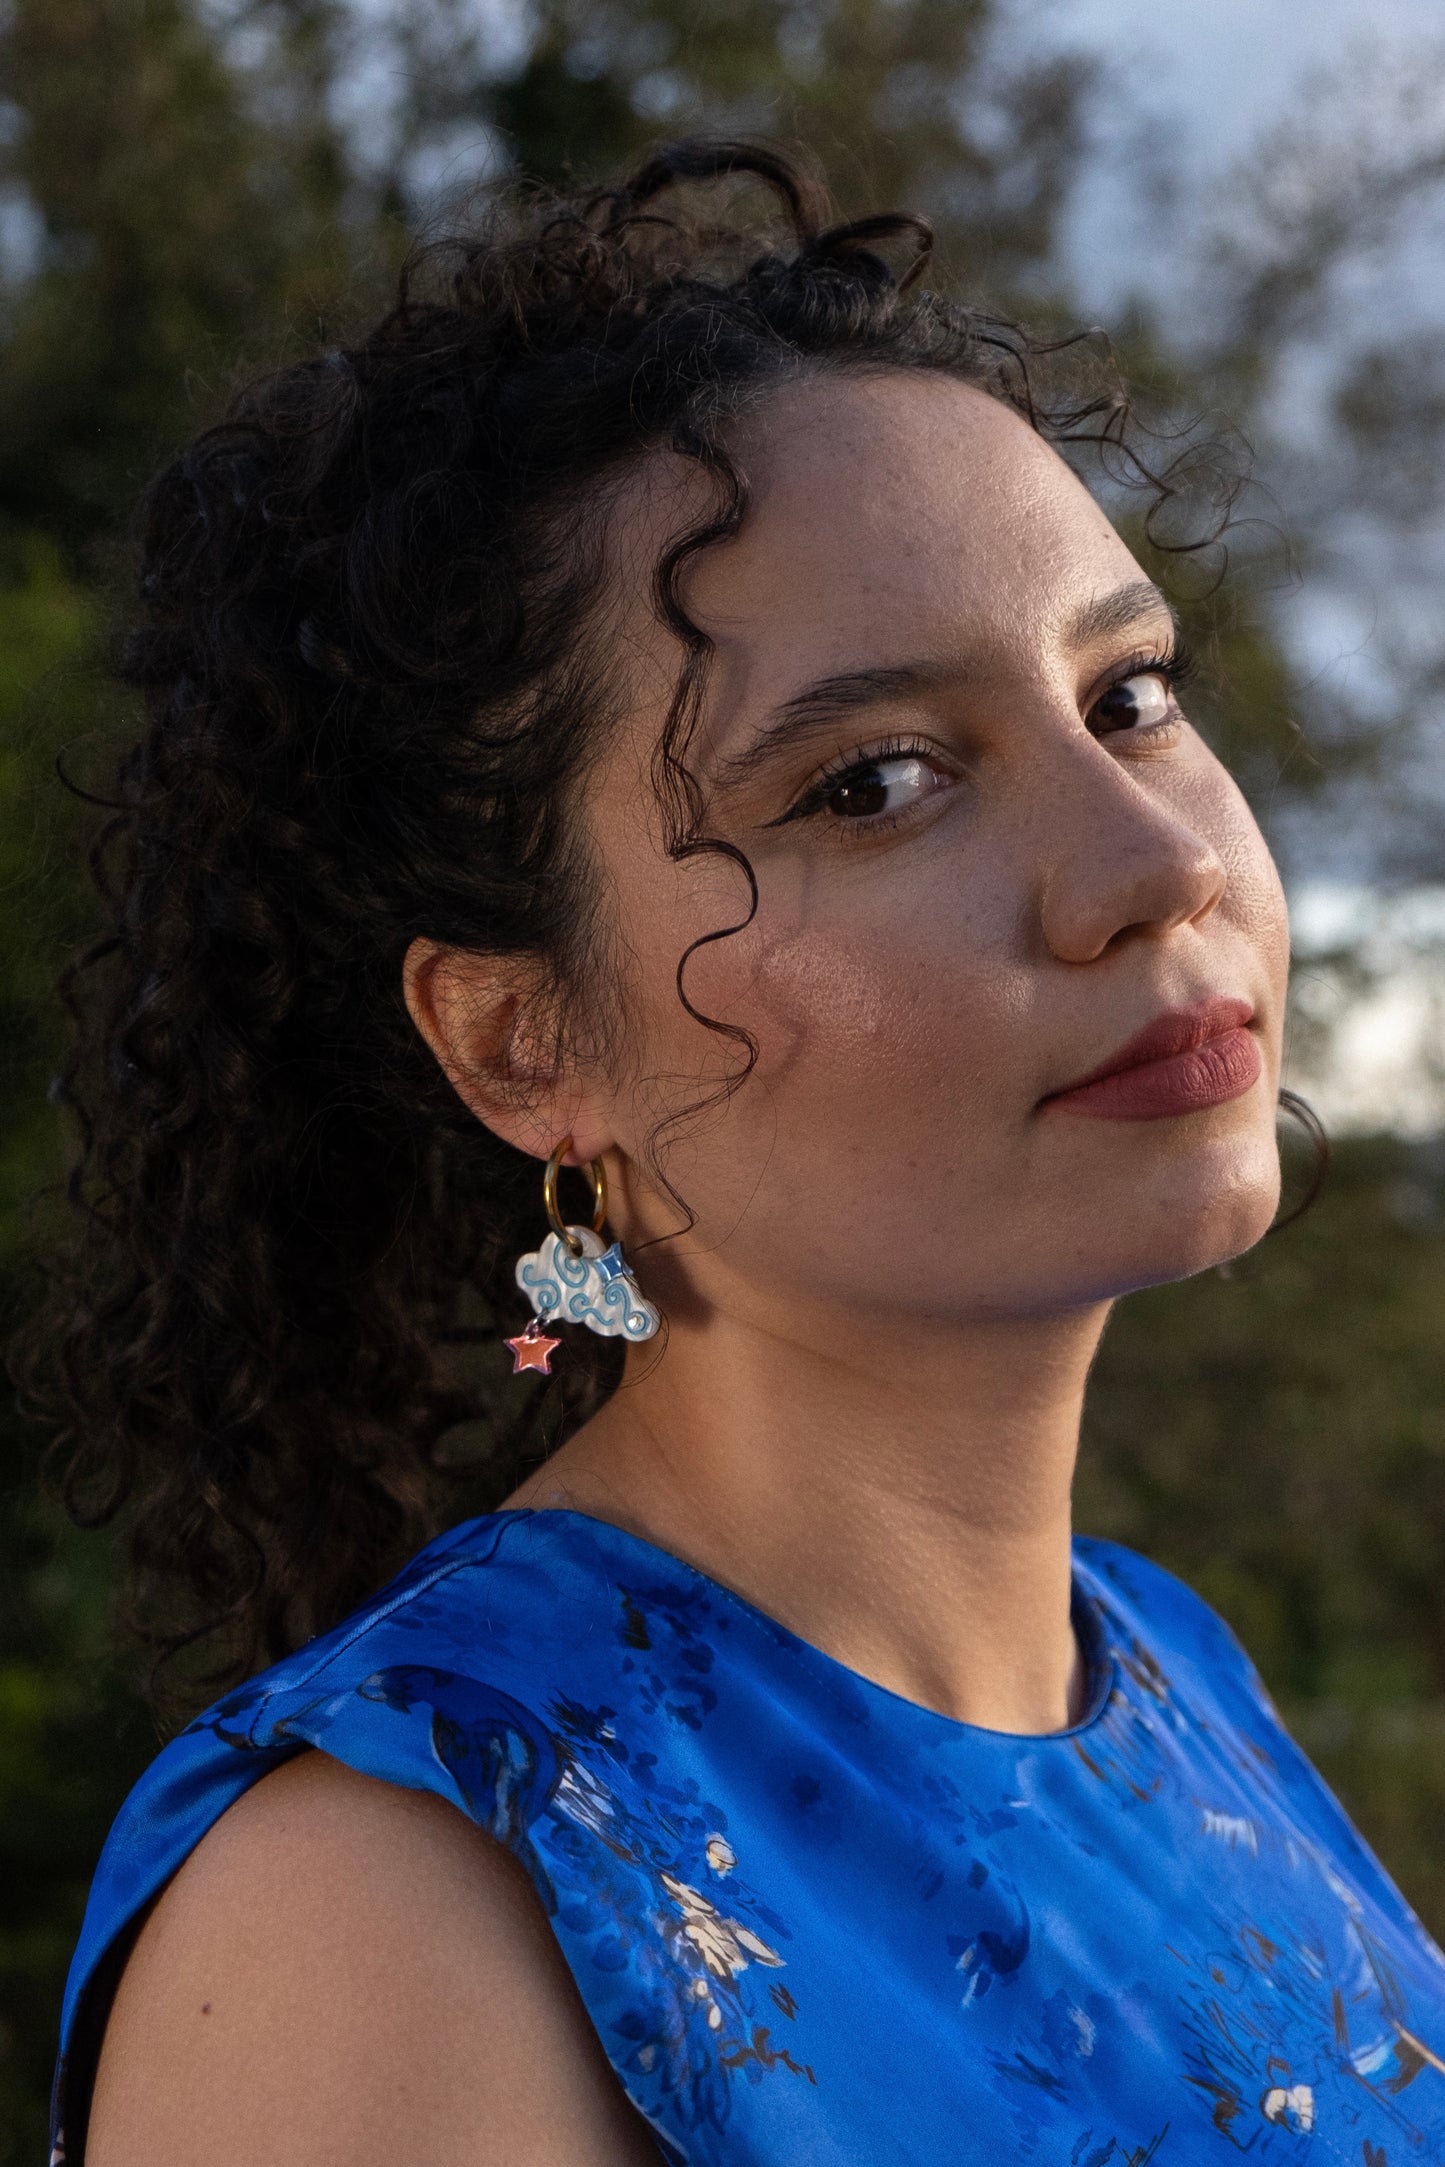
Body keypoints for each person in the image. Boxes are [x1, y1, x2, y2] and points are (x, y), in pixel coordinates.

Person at [33, 137, 1445, 2165]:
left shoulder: (1169, 1684)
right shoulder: (395, 1904)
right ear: (522, 1042)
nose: (1155, 865)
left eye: (1127, 694)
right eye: (876, 782)